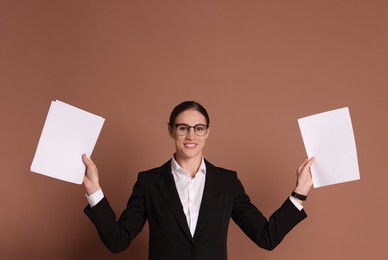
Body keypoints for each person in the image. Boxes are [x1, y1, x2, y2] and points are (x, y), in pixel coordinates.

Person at [82, 101, 315, 260]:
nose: (191, 136)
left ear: (207, 132)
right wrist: (94, 191)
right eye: (183, 128)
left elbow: (266, 237)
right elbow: (118, 241)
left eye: (199, 128)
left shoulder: (227, 182)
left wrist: (300, 191)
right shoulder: (149, 182)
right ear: (171, 131)